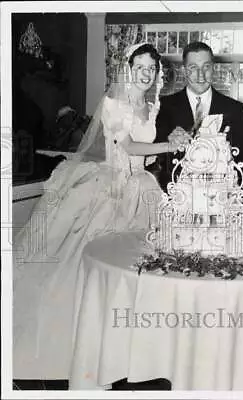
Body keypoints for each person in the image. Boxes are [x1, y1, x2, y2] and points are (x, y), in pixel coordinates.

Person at [13, 43, 179, 380]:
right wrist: (167, 145)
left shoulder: (151, 104)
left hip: (142, 186)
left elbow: (144, 156)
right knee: (89, 266)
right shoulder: (114, 103)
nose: (147, 74)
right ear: (128, 67)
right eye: (141, 67)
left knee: (138, 270)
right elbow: (128, 146)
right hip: (111, 186)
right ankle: (80, 344)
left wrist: (168, 142)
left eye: (152, 68)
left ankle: (130, 347)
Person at [154, 41, 243, 193]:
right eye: (193, 68)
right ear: (184, 70)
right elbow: (155, 156)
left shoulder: (235, 109)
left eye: (206, 67)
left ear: (213, 68)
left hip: (221, 197)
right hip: (175, 195)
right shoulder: (164, 106)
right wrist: (170, 141)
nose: (200, 75)